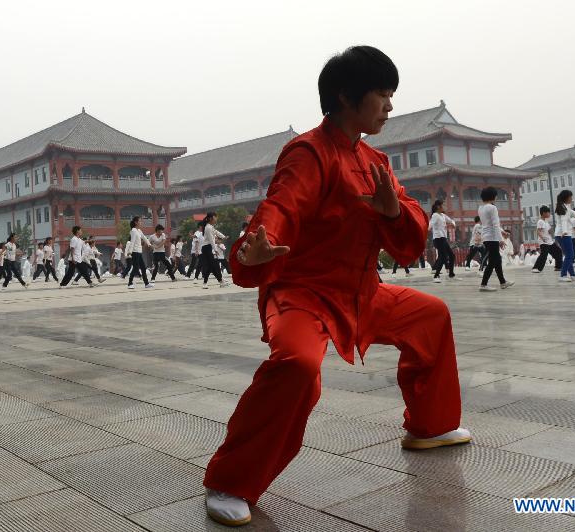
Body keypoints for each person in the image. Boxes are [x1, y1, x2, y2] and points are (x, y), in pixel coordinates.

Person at [202, 46, 468, 527]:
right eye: (383, 95)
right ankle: (231, 480)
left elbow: (410, 233)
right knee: (298, 364)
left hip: (363, 292)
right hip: (303, 293)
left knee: (430, 315)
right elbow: (282, 207)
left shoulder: (375, 160)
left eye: (392, 96)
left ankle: (430, 426)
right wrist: (254, 250)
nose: (390, 106)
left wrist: (391, 211)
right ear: (346, 97)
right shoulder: (308, 152)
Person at [478, 187, 513, 291]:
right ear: (492, 196)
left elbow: (489, 224)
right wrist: (501, 239)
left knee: (497, 260)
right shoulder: (492, 208)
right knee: (493, 261)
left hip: (486, 237)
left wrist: (502, 232)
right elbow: (495, 225)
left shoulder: (481, 208)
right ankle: (483, 285)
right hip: (492, 238)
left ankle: (503, 282)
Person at [552, 190, 575, 283]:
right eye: (570, 197)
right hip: (563, 234)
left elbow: (571, 212)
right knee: (570, 255)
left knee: (569, 255)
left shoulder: (565, 207)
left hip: (561, 234)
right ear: (566, 198)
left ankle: (572, 275)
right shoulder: (563, 208)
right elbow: (564, 221)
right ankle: (563, 275)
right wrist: (564, 231)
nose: (571, 199)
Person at [429, 199, 456, 283]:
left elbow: (450, 220)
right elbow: (431, 223)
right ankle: (436, 276)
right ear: (438, 206)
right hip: (438, 239)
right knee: (443, 257)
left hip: (443, 238)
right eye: (443, 205)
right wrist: (428, 228)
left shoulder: (443, 215)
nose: (445, 207)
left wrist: (453, 223)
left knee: (451, 255)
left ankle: (451, 274)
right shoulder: (435, 215)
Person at [532, 206, 562, 273]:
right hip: (544, 242)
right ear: (543, 213)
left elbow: (549, 231)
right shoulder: (540, 221)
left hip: (550, 241)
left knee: (558, 251)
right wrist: (543, 238)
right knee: (544, 255)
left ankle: (558, 267)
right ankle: (536, 268)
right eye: (548, 212)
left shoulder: (546, 221)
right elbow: (538, 231)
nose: (549, 214)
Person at [126, 217, 153, 289]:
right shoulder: (133, 231)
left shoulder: (139, 230)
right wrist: (129, 251)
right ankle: (130, 283)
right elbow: (132, 242)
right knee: (135, 268)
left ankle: (146, 283)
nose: (141, 222)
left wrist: (149, 244)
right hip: (134, 252)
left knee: (143, 268)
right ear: (136, 222)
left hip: (139, 252)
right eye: (140, 221)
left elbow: (144, 237)